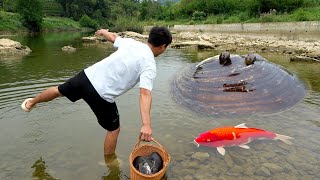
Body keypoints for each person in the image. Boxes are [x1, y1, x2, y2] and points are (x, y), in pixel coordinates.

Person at [21, 26, 172, 155]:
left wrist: (103, 32)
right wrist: (146, 124)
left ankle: (31, 103)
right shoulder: (150, 64)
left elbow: (113, 37)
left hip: (86, 77)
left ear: (149, 38)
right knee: (114, 130)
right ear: (163, 46)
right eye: (166, 48)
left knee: (58, 90)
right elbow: (145, 94)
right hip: (101, 95)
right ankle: (109, 164)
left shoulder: (133, 43)